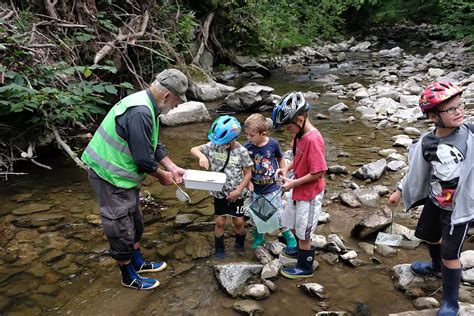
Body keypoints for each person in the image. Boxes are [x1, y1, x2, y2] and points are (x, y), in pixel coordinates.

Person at [82, 68, 189, 290]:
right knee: (120, 226)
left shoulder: (149, 106)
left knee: (135, 221)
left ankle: (137, 262)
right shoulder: (140, 112)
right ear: (167, 96)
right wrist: (162, 176)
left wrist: (172, 166)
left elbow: (152, 144)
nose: (177, 107)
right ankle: (127, 275)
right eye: (177, 102)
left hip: (123, 176)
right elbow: (143, 161)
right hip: (108, 175)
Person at [388, 81, 474, 316]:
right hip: (436, 202)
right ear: (433, 117)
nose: (459, 111)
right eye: (451, 109)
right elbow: (416, 171)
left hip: (460, 208)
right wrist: (399, 190)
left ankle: (450, 302)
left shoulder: (470, 135)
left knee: (451, 253)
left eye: (460, 106)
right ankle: (436, 266)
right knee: (430, 236)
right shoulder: (427, 142)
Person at [272, 91, 327, 279]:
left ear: (301, 119)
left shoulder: (313, 139)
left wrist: (293, 182)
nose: (287, 130)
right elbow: (298, 158)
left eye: (288, 127)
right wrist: (286, 169)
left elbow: (319, 171)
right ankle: (299, 250)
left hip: (310, 193)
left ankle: (305, 267)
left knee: (304, 231)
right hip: (297, 189)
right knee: (294, 224)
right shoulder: (299, 136)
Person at [190, 115, 253, 258]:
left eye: (224, 143)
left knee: (238, 221)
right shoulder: (214, 144)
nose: (220, 145)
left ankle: (239, 246)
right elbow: (194, 149)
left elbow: (248, 173)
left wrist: (238, 191)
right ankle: (219, 250)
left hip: (236, 192)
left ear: (232, 140)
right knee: (219, 221)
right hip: (219, 192)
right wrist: (202, 156)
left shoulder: (241, 151)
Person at [243, 113, 297, 251]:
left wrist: (283, 170)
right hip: (255, 189)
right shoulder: (247, 147)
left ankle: (289, 236)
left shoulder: (273, 144)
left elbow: (280, 158)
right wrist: (248, 181)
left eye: (251, 135)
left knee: (278, 214)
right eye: (247, 135)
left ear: (263, 133)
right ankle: (259, 236)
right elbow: (245, 166)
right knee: (256, 214)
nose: (248, 138)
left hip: (272, 187)